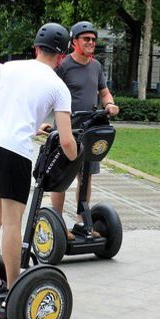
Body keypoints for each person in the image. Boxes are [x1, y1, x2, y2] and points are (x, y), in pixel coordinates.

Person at [0, 23, 77, 298]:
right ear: (62, 56)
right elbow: (67, 141)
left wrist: (32, 126)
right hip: (15, 152)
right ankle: (13, 288)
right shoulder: (59, 87)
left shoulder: (7, 68)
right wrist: (76, 160)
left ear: (35, 48)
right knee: (12, 223)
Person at [51, 21, 119, 240]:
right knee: (60, 177)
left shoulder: (96, 66)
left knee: (86, 176)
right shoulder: (63, 66)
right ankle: (58, 223)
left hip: (89, 131)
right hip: (66, 129)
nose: (91, 43)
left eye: (93, 39)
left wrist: (109, 103)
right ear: (74, 42)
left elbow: (104, 91)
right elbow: (50, 94)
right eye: (86, 39)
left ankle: (81, 221)